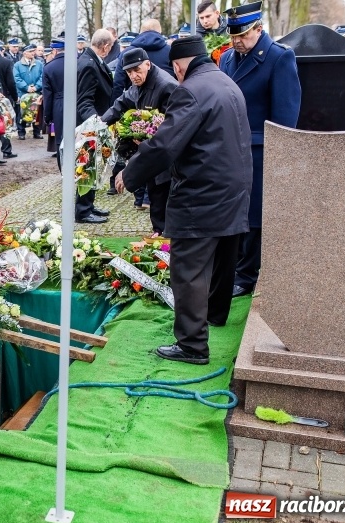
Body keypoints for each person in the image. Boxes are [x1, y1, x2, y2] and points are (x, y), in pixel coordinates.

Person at [117, 35, 252, 365]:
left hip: (201, 191)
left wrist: (129, 174)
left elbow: (165, 146)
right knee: (223, 256)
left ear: (178, 66)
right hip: (234, 186)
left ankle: (192, 345)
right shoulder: (226, 82)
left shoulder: (190, 90)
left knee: (189, 267)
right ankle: (215, 314)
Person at [219, 1, 301, 298]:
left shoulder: (279, 57)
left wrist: (280, 156)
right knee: (232, 209)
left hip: (260, 149)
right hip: (229, 148)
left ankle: (247, 274)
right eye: (233, 36)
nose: (237, 41)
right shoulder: (227, 58)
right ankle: (232, 266)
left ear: (259, 28)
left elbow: (285, 115)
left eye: (243, 35)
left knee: (254, 215)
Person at [102, 47, 178, 236]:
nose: (133, 76)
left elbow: (174, 125)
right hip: (150, 153)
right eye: (129, 72)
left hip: (165, 156)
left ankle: (164, 237)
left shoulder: (166, 86)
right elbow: (121, 103)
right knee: (155, 196)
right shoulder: (138, 84)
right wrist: (100, 125)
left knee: (162, 197)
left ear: (148, 64)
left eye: (137, 70)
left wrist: (149, 136)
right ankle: (159, 234)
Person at [75, 29, 115, 224]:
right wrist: (95, 124)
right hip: (89, 126)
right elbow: (84, 101)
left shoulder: (93, 60)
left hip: (94, 122)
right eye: (111, 46)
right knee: (87, 167)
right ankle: (82, 211)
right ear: (105, 46)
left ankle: (88, 205)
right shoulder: (89, 64)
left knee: (93, 166)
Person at [113, 19, 173, 101]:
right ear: (159, 32)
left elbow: (118, 84)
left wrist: (116, 106)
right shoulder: (171, 52)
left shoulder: (126, 53)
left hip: (134, 104)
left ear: (141, 32)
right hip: (166, 102)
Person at [13, 44, 44, 140]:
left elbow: (42, 76)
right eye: (30, 51)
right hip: (23, 93)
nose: (33, 53)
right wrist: (26, 87)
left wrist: (36, 87)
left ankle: (37, 132)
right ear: (24, 53)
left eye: (33, 51)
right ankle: (21, 132)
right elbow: (17, 78)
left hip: (36, 92)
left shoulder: (39, 64)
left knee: (36, 112)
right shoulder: (17, 65)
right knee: (21, 113)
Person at [42, 37, 65, 158]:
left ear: (55, 51)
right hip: (78, 104)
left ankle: (63, 167)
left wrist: (47, 116)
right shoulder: (78, 63)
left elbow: (48, 95)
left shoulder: (49, 67)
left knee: (60, 141)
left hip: (58, 106)